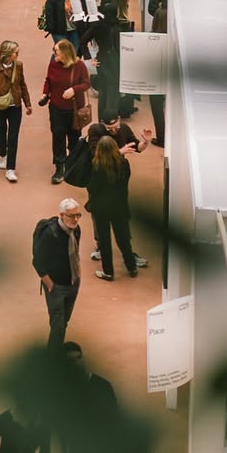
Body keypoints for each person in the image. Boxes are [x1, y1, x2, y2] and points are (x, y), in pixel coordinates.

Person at [32, 196, 84, 349]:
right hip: (56, 286)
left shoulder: (76, 230)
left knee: (64, 321)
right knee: (58, 326)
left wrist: (78, 275)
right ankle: (53, 357)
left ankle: (57, 349)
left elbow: (75, 253)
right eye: (72, 215)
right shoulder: (50, 234)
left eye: (78, 215)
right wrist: (50, 285)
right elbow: (37, 262)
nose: (76, 219)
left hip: (73, 282)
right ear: (62, 215)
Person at [85, 135, 138, 280]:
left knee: (104, 240)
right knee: (123, 238)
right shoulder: (124, 164)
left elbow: (92, 187)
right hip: (119, 206)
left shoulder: (97, 167)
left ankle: (108, 272)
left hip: (101, 209)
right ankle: (131, 267)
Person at [42, 38, 91, 183]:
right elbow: (48, 81)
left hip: (74, 109)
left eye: (56, 51)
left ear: (65, 52)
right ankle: (59, 167)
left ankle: (73, 165)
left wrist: (74, 90)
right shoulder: (53, 64)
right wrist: (45, 93)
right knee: (58, 136)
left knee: (74, 137)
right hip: (56, 108)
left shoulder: (79, 66)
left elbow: (86, 84)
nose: (54, 53)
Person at [0, 39, 31, 183]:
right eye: (16, 52)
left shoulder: (19, 66)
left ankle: (11, 168)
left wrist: (27, 103)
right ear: (8, 54)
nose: (18, 55)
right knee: (1, 130)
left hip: (15, 105)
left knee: (13, 136)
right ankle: (3, 154)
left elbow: (22, 84)